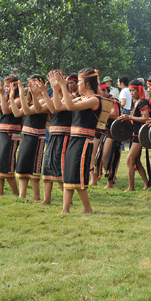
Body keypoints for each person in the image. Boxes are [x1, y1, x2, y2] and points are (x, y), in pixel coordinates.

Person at [52, 68, 102, 214]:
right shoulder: (81, 98)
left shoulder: (94, 100)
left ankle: (87, 208)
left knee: (78, 173)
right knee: (68, 173)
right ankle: (65, 209)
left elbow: (70, 106)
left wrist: (62, 86)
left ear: (87, 84)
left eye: (80, 81)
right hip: (74, 140)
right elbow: (58, 107)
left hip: (84, 141)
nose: (77, 84)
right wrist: (56, 88)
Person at [34, 71, 72, 204]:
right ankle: (46, 199)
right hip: (53, 135)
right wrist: (37, 93)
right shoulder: (55, 96)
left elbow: (55, 108)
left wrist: (52, 90)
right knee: (48, 166)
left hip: (63, 135)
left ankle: (68, 199)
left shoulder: (70, 96)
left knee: (58, 167)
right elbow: (40, 109)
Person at [11, 76, 48, 201]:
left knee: (34, 167)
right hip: (27, 136)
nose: (32, 87)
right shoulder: (30, 101)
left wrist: (22, 95)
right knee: (22, 165)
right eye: (31, 84)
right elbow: (17, 113)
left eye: (35, 84)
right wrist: (11, 96)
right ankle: (22, 195)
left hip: (37, 136)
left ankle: (36, 196)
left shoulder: (43, 100)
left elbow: (27, 112)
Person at [0, 76, 21, 196]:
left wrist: (2, 94)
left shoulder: (18, 99)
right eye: (5, 86)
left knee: (7, 163)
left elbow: (6, 111)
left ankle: (16, 193)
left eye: (8, 86)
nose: (5, 88)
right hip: (2, 133)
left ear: (15, 86)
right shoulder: (5, 99)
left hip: (12, 134)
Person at [118, 79, 151, 192]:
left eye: (133, 91)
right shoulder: (136, 102)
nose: (131, 93)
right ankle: (147, 183)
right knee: (136, 161)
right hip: (135, 134)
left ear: (139, 90)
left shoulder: (143, 102)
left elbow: (146, 119)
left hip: (139, 135)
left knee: (129, 160)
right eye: (130, 91)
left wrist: (130, 117)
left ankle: (131, 187)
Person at [94, 84, 121, 189]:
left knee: (107, 158)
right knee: (99, 157)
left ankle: (110, 183)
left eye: (101, 91)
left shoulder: (113, 100)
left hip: (111, 132)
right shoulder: (101, 100)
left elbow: (115, 115)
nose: (99, 93)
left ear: (106, 91)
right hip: (102, 131)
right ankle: (108, 181)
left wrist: (101, 112)